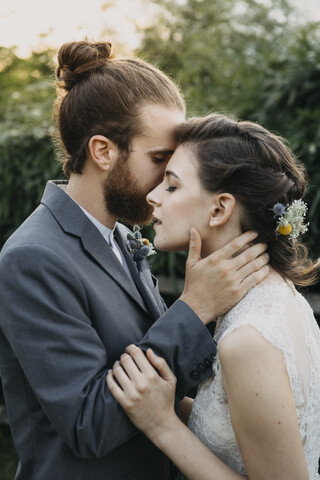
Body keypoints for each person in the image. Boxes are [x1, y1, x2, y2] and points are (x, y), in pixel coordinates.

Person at [0, 42, 269, 480]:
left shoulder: (125, 235)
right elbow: (89, 425)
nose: (168, 179)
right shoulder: (33, 258)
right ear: (103, 151)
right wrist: (194, 307)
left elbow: (159, 378)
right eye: (160, 159)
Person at [107, 114, 320, 480]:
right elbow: (234, 425)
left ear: (220, 209)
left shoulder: (250, 338)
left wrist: (163, 426)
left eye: (171, 187)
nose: (152, 196)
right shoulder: (269, 294)